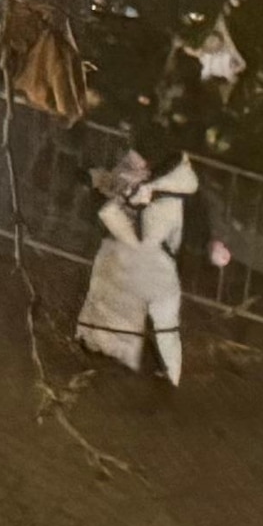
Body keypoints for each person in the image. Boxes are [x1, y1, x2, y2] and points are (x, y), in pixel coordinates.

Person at [77, 149, 196, 390]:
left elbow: (114, 208)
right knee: (166, 325)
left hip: (148, 260)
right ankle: (173, 375)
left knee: (119, 296)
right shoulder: (179, 195)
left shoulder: (153, 191)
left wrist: (111, 187)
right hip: (163, 264)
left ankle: (104, 348)